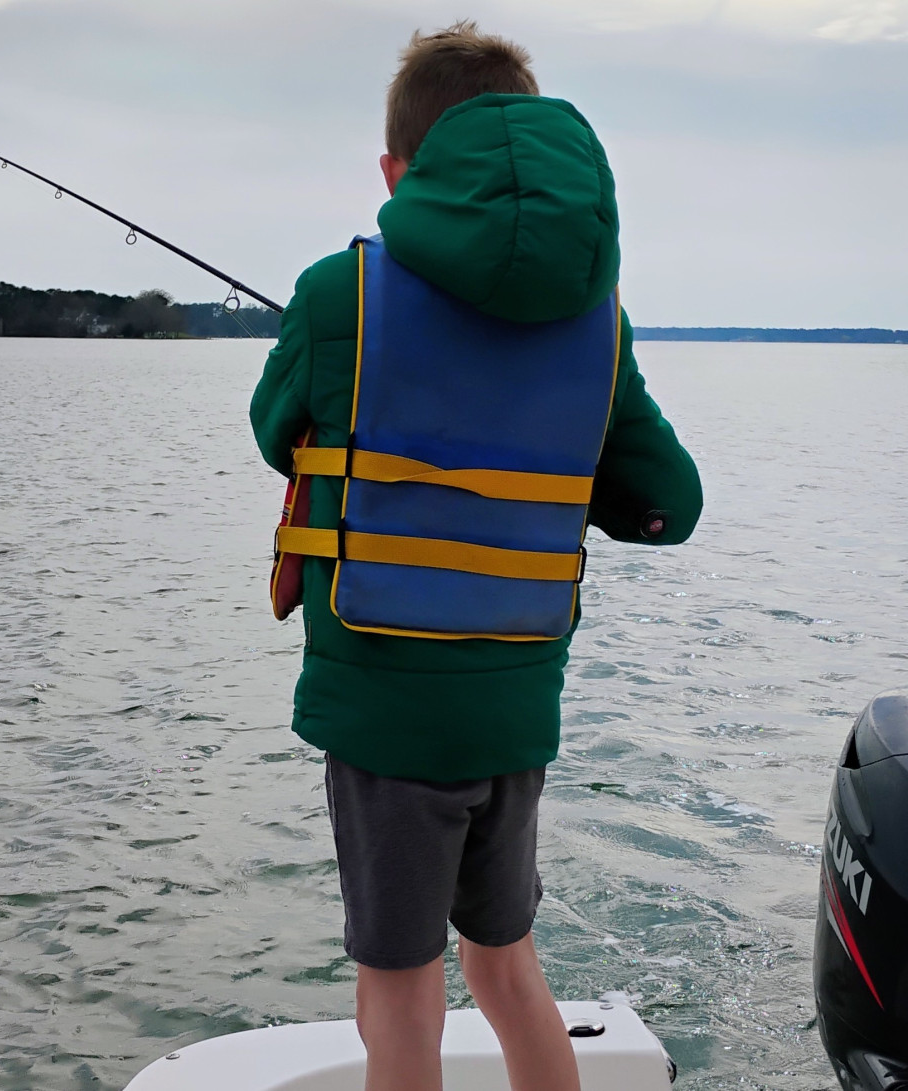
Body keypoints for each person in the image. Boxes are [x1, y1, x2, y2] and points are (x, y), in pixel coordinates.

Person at [249, 21, 703, 1091]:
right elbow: (669, 504)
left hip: (385, 713)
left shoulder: (337, 294)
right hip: (513, 714)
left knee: (398, 997)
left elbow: (276, 431)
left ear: (398, 173)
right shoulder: (598, 325)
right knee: (505, 966)